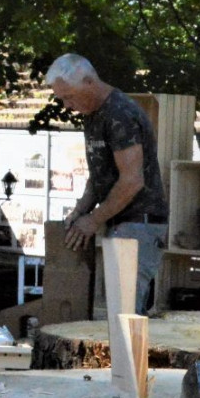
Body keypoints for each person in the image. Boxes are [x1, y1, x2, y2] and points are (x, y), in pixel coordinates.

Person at [45, 53, 167, 315]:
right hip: (119, 221)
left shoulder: (120, 113)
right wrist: (81, 210)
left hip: (139, 223)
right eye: (63, 98)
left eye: (70, 96)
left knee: (125, 314)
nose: (67, 105)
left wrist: (92, 220)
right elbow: (100, 173)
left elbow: (132, 180)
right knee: (114, 311)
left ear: (89, 82)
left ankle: (133, 358)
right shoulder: (93, 114)